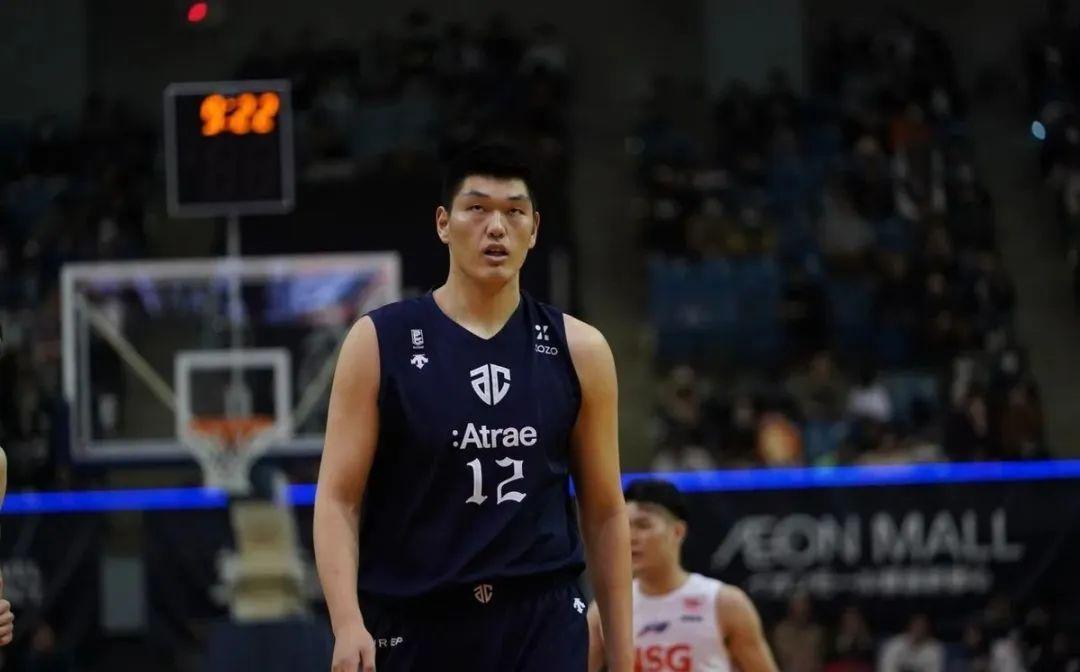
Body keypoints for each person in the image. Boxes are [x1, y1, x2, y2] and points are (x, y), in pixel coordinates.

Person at [313, 143, 632, 671]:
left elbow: (604, 511)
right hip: (416, 619)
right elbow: (338, 500)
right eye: (477, 208)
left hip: (543, 621)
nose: (496, 227)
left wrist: (623, 657)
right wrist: (347, 623)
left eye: (514, 212)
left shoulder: (581, 349)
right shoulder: (378, 341)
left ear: (534, 229)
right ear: (444, 223)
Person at [588, 479, 777, 672]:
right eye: (624, 527)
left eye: (643, 525)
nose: (630, 537)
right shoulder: (605, 610)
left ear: (678, 531)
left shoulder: (725, 603)